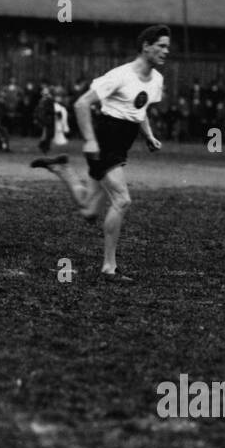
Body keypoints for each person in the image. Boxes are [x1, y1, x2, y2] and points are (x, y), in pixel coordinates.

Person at [31, 25, 169, 281]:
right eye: (161, 46)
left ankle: (63, 169)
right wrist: (91, 141)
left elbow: (140, 110)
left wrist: (148, 135)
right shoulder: (120, 75)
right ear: (146, 46)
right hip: (105, 140)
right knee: (122, 200)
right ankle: (109, 268)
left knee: (89, 211)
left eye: (167, 46)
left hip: (120, 144)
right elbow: (81, 103)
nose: (165, 51)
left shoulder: (157, 80)